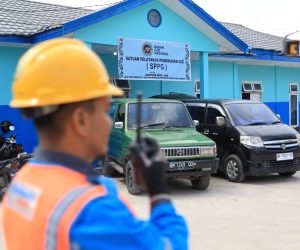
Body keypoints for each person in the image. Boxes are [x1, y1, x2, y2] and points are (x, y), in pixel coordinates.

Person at [2, 38, 188, 250]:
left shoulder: (22, 182)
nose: (109, 122)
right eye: (104, 111)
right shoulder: (94, 209)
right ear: (81, 120)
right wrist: (158, 188)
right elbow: (170, 245)